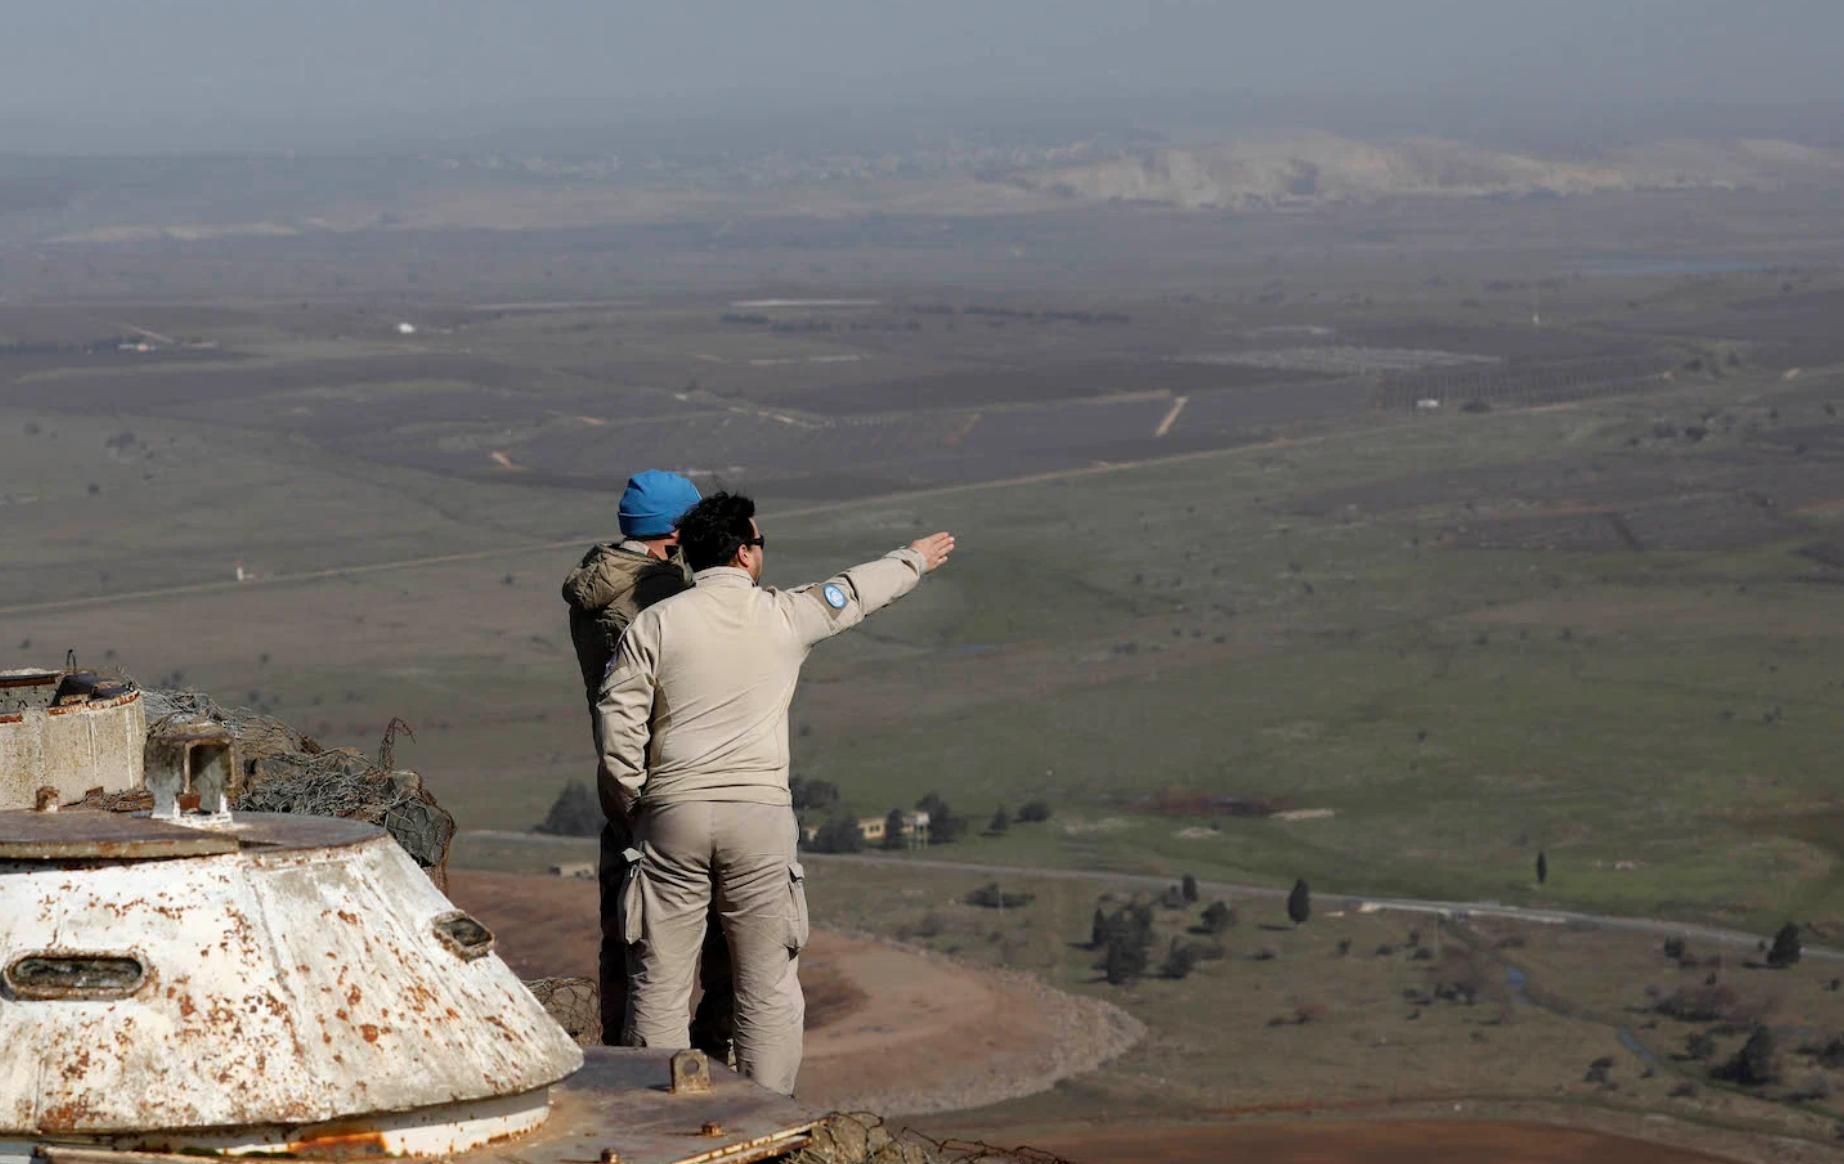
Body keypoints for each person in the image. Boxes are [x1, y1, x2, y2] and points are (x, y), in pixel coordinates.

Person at [596, 492, 953, 1094]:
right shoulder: (784, 615)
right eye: (760, 543)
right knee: (766, 984)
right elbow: (853, 592)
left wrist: (632, 803)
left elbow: (618, 722)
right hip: (758, 820)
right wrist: (912, 559)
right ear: (743, 554)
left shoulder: (654, 624)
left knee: (659, 979)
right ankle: (766, 1115)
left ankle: (655, 1116)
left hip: (672, 814)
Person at [561, 469, 733, 1055]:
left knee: (627, 938)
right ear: (676, 533)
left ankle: (624, 1066)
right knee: (713, 945)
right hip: (675, 786)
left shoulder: (600, 579)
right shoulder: (657, 596)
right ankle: (706, 1073)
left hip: (622, 785)